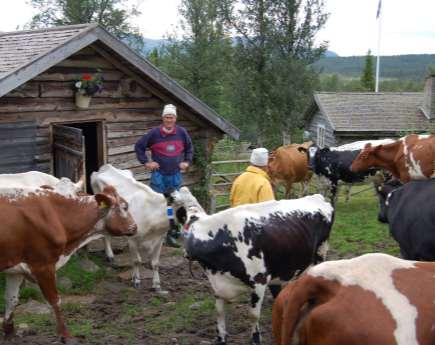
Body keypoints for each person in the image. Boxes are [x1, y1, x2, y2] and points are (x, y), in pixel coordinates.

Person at [135, 104, 193, 247]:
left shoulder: (182, 132)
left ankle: (173, 232)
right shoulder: (154, 133)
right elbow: (139, 147)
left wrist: (186, 161)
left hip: (175, 175)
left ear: (175, 118)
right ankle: (156, 234)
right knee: (159, 204)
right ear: (163, 118)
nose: (169, 119)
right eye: (167, 117)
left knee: (174, 204)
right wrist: (146, 163)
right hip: (159, 176)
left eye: (171, 117)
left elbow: (190, 148)